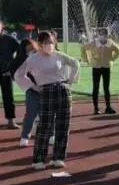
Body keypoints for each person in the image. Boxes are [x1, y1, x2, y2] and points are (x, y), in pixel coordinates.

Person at [14, 31, 80, 170]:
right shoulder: (33, 59)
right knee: (44, 126)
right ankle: (39, 159)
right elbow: (19, 74)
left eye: (51, 42)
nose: (49, 45)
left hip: (63, 91)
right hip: (45, 92)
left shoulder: (59, 55)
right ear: (39, 44)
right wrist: (33, 86)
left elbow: (75, 63)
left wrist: (70, 81)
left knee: (63, 126)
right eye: (45, 42)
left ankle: (58, 158)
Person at [80, 28, 119, 115]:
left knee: (106, 88)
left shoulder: (110, 43)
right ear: (98, 35)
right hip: (96, 67)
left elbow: (118, 51)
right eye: (101, 34)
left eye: (105, 34)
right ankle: (96, 108)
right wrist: (86, 60)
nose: (103, 36)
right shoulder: (93, 43)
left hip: (106, 67)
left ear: (107, 35)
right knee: (96, 87)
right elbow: (83, 49)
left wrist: (112, 59)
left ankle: (108, 107)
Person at [11, 38, 39, 146]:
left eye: (31, 47)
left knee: (47, 113)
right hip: (31, 89)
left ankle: (50, 135)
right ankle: (25, 136)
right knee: (31, 113)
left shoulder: (40, 56)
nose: (30, 49)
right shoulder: (21, 60)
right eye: (27, 48)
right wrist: (33, 86)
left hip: (45, 87)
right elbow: (17, 74)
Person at [0, 19, 19, 129]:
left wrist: (12, 67)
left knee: (8, 97)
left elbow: (21, 52)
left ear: (2, 26)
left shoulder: (10, 39)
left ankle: (11, 121)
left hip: (6, 73)